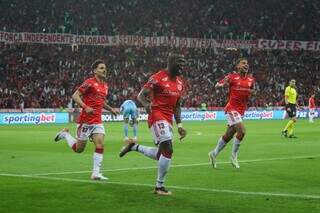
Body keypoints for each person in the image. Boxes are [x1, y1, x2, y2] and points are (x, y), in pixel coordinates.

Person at [118, 53, 187, 195]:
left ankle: (134, 147)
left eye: (183, 63)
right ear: (171, 62)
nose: (182, 66)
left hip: (168, 119)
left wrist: (179, 125)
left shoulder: (180, 83)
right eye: (179, 62)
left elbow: (177, 105)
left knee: (161, 154)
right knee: (168, 148)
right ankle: (159, 187)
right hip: (156, 115)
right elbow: (141, 95)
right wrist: (146, 104)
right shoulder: (158, 77)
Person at [54, 59, 118, 180]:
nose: (104, 70)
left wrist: (111, 109)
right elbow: (75, 95)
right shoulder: (89, 82)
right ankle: (65, 134)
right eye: (101, 68)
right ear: (94, 71)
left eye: (105, 68)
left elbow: (101, 102)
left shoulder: (105, 85)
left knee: (100, 144)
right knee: (79, 149)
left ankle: (95, 173)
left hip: (97, 121)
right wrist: (85, 106)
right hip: (86, 121)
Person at [208, 58, 255, 169]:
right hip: (231, 109)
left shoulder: (251, 80)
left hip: (241, 110)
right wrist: (220, 85)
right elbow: (218, 84)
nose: (246, 65)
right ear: (238, 66)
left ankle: (213, 154)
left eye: (247, 63)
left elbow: (251, 91)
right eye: (243, 63)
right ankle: (233, 157)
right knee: (242, 131)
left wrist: (250, 93)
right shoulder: (232, 77)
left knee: (229, 135)